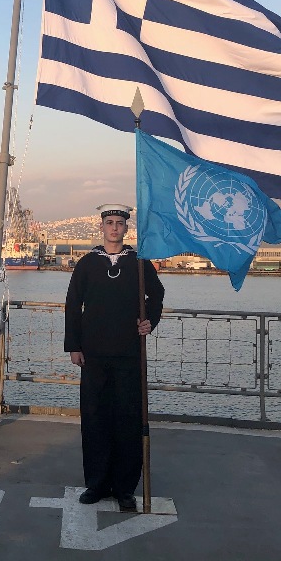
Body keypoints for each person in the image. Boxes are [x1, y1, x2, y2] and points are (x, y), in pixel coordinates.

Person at [64, 203, 164, 510]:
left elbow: (156, 296)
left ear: (126, 228)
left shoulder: (139, 263)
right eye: (109, 222)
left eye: (119, 223)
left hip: (129, 355)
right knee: (95, 420)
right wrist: (74, 346)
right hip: (93, 356)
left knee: (128, 421)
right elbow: (72, 305)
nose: (114, 228)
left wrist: (151, 322)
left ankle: (124, 488)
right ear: (102, 226)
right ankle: (96, 484)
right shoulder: (87, 264)